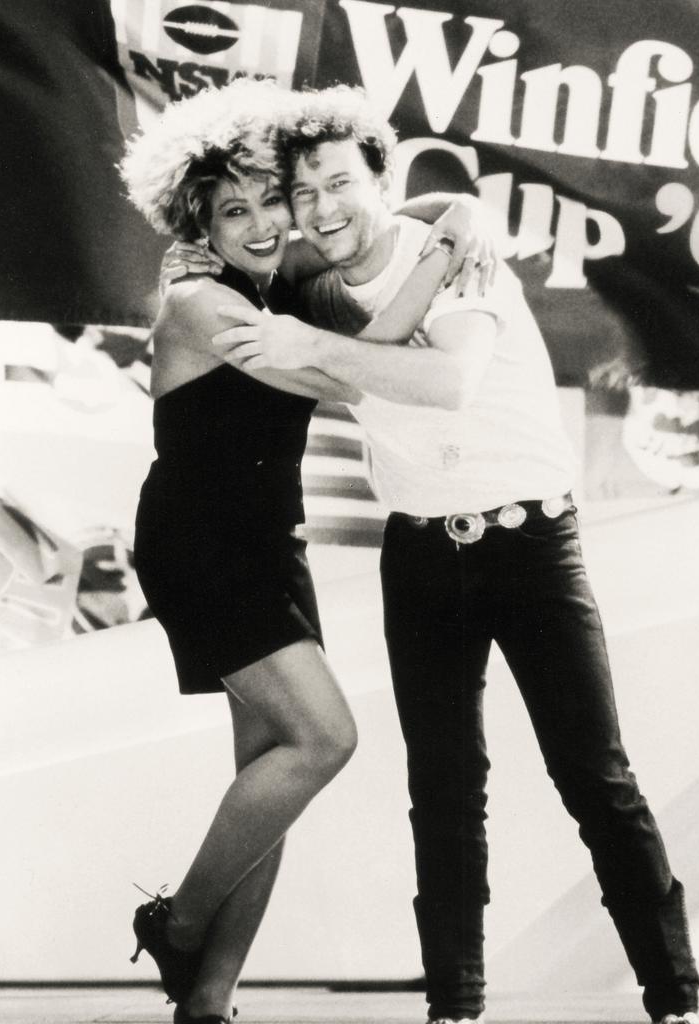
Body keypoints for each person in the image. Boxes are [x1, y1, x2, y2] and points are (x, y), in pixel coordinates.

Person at [212, 85, 699, 1024]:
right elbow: (305, 346)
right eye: (302, 192)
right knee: (441, 789)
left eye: (337, 182)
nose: (320, 209)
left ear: (380, 178)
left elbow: (447, 381)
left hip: (532, 543)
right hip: (422, 557)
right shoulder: (315, 285)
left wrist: (452, 218)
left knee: (594, 776)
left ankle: (676, 1000)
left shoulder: (463, 252)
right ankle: (455, 1007)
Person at [120, 78, 491, 1024]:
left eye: (270, 200)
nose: (260, 222)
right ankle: (179, 921)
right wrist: (448, 251)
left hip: (267, 546)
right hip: (200, 548)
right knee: (325, 739)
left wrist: (455, 206)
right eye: (231, 210)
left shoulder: (276, 286)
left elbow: (388, 216)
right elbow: (357, 359)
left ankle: (207, 1001)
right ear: (196, 221)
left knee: (271, 770)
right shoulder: (202, 300)